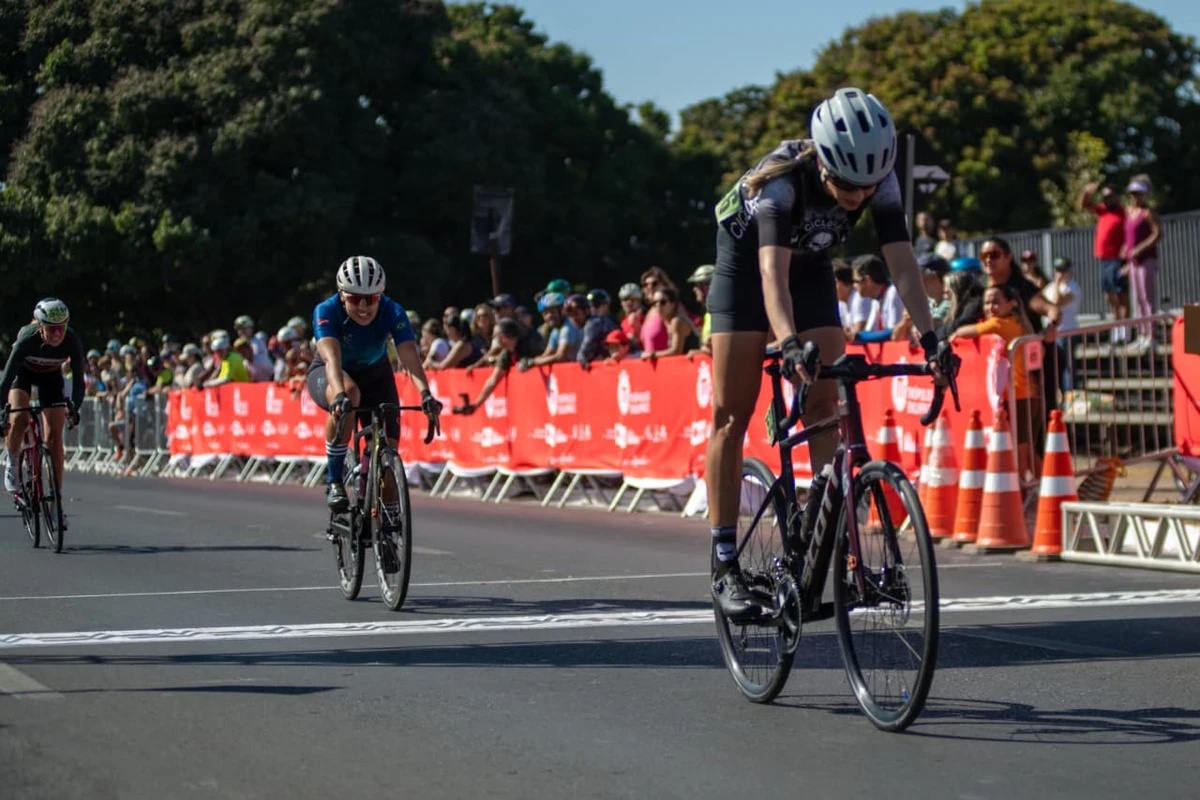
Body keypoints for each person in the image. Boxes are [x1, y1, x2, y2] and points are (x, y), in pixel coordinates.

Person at [705, 87, 949, 621]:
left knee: (826, 405)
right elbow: (771, 275)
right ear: (821, 163)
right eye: (846, 185)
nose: (858, 198)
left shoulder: (879, 181)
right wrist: (788, 342)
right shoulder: (780, 185)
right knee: (731, 412)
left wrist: (932, 338)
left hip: (812, 266)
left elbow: (903, 264)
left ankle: (829, 543)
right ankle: (725, 561)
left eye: (867, 188)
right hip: (747, 274)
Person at [307, 256, 442, 512]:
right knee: (349, 394)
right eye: (356, 299)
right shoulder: (325, 311)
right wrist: (338, 397)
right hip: (333, 372)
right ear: (342, 295)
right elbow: (332, 359)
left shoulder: (392, 310)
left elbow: (409, 356)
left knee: (388, 448)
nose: (364, 307)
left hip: (376, 374)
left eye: (371, 299)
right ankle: (334, 479)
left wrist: (425, 394)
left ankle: (386, 516)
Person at [0, 299, 85, 518]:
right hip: (23, 374)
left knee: (54, 437)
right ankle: (11, 459)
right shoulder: (26, 339)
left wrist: (75, 406)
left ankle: (56, 499)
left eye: (62, 327)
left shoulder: (72, 340)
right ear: (39, 327)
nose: (57, 334)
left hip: (51, 376)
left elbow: (78, 380)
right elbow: (6, 379)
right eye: (51, 328)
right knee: (18, 417)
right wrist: (2, 412)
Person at [948, 284, 1039, 481]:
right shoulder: (1011, 322)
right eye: (987, 303)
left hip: (1020, 395)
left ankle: (1024, 492)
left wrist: (955, 333)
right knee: (1027, 447)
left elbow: (967, 331)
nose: (990, 307)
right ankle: (1043, 491)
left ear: (1011, 304)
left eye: (996, 302)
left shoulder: (1001, 324)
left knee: (1021, 449)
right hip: (1019, 394)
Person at [455, 319, 542, 413]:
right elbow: (493, 379)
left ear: (504, 336)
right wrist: (476, 404)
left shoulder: (531, 346)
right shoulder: (507, 353)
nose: (495, 340)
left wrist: (533, 362)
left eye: (496, 336)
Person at [1079, 181, 1128, 341]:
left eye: (1110, 196)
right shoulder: (1103, 211)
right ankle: (1116, 328)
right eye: (1105, 196)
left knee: (1121, 295)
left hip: (1118, 259)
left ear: (1117, 197)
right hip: (1104, 259)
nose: (1107, 199)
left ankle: (1125, 331)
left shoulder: (1124, 213)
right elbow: (1085, 205)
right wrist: (1087, 192)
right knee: (1109, 296)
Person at [1122, 175, 1162, 346]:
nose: (1135, 197)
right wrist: (1126, 248)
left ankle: (1151, 334)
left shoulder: (1147, 212)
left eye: (1138, 194)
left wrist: (1141, 248)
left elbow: (1157, 233)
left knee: (1147, 296)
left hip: (1146, 259)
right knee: (1137, 297)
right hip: (1133, 261)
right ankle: (1141, 333)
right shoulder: (1129, 212)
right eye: (1133, 194)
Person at [1043, 257, 1081, 395]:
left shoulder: (1073, 287)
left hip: (1067, 332)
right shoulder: (1048, 288)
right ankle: (1059, 396)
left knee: (1068, 367)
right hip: (1053, 333)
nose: (1060, 273)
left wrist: (1058, 284)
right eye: (1058, 270)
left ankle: (1070, 394)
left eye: (1063, 270)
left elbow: (1056, 303)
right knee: (1055, 367)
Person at [640, 286, 699, 360]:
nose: (658, 305)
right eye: (654, 303)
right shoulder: (667, 322)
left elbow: (676, 351)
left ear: (673, 304)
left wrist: (652, 354)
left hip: (694, 366)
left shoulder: (677, 321)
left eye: (662, 302)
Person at [577, 288, 620, 368]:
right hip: (609, 363)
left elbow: (584, 353)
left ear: (605, 306)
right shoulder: (596, 322)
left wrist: (581, 358)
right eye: (590, 306)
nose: (592, 309)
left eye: (596, 305)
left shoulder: (596, 322)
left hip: (610, 363)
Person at [687, 264, 715, 356]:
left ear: (708, 286)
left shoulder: (721, 313)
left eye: (698, 285)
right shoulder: (708, 314)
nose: (694, 289)